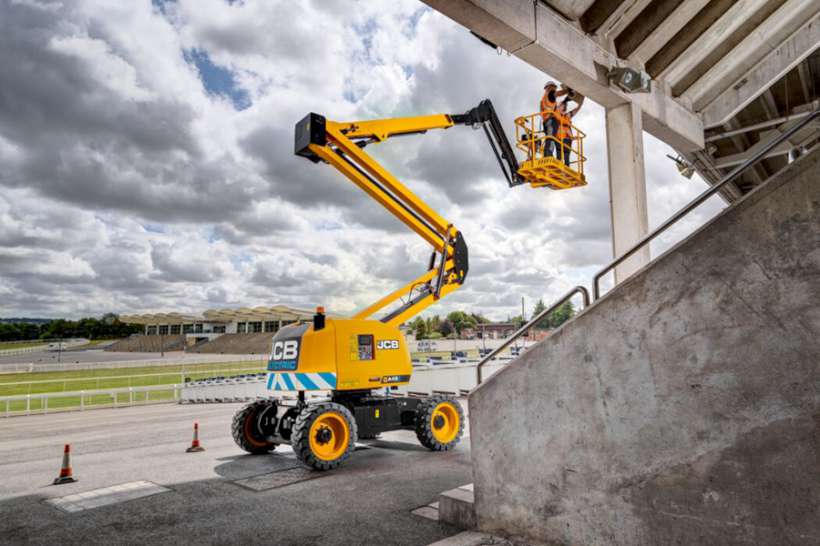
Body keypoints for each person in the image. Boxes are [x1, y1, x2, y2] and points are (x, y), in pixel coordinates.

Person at [539, 82, 567, 158]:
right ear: (549, 87)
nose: (555, 89)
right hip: (551, 120)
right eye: (554, 87)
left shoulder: (544, 99)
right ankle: (548, 155)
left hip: (546, 121)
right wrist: (567, 90)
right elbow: (557, 94)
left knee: (551, 138)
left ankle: (548, 154)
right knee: (551, 138)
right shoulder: (550, 94)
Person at [556, 97, 582, 167]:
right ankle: (560, 169)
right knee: (559, 157)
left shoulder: (566, 115)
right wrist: (564, 101)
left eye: (563, 105)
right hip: (558, 139)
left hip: (566, 139)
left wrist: (580, 104)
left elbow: (575, 111)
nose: (561, 106)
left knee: (566, 157)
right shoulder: (556, 114)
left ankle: (566, 167)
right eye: (560, 105)